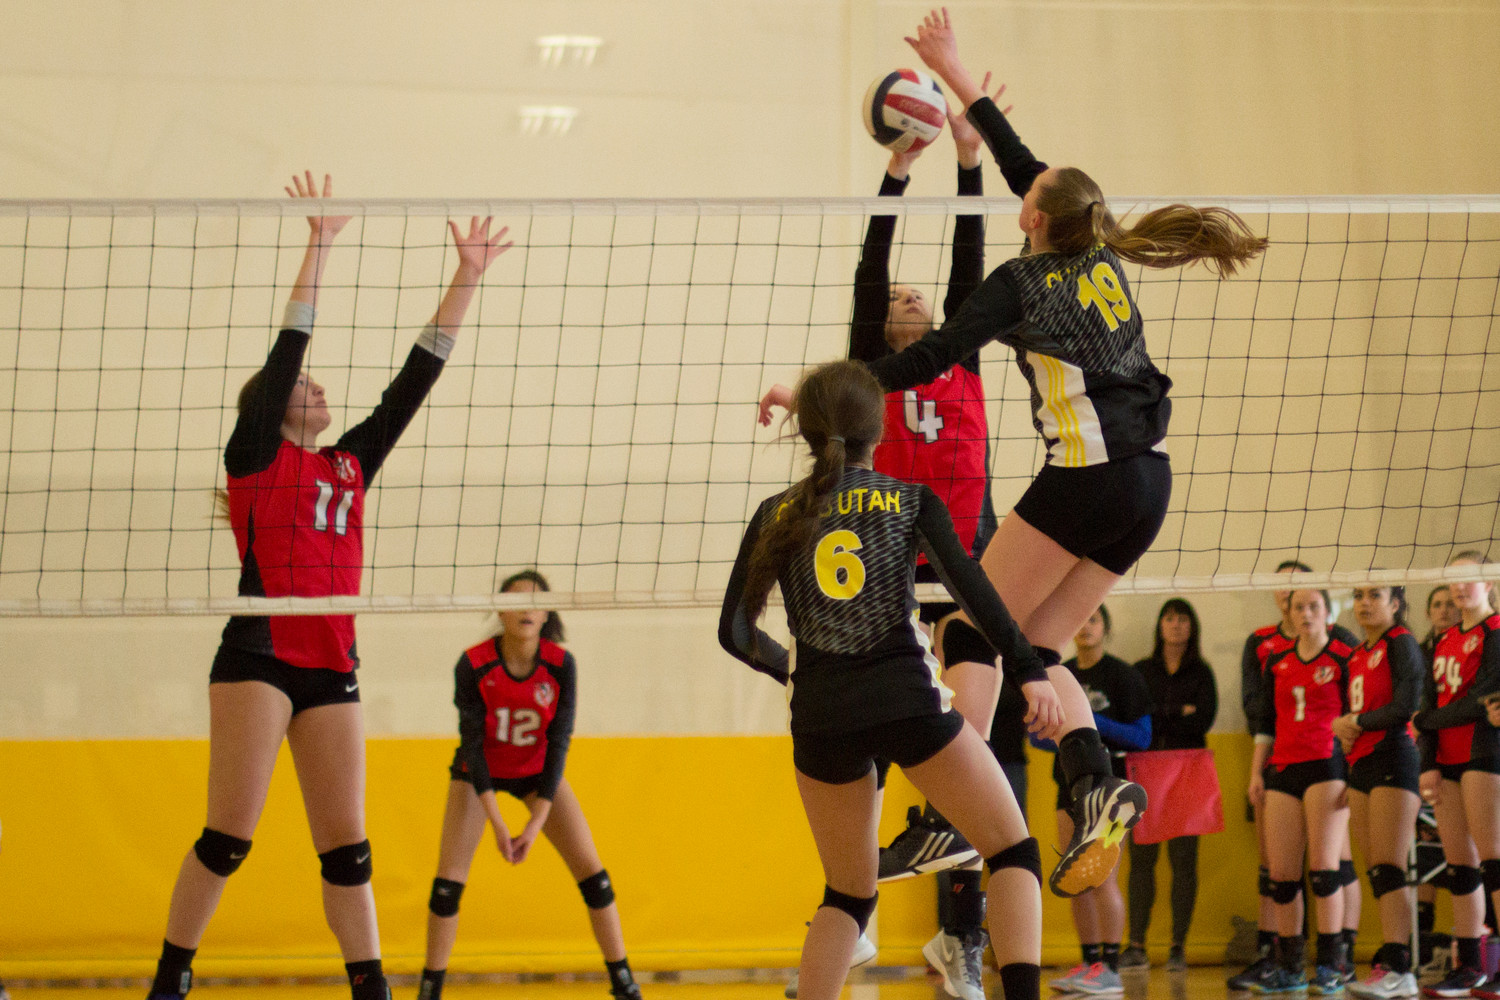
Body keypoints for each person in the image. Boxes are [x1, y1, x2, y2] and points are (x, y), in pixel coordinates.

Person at [758, 6, 1268, 899]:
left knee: (968, 627)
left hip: (1089, 480)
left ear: (1031, 214)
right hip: (1150, 485)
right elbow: (1019, 156)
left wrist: (816, 394)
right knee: (1037, 644)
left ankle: (947, 814)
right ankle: (1094, 778)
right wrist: (957, 80)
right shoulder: (1096, 245)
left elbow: (926, 358)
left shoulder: (1019, 283)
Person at [145, 174, 512, 1000]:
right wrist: (320, 241)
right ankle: (171, 976)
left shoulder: (348, 463)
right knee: (228, 838)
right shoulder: (254, 457)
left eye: (317, 386)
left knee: (348, 849)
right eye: (303, 387)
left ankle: (369, 987)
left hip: (332, 660)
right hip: (259, 656)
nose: (317, 388)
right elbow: (289, 349)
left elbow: (413, 383)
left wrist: (467, 276)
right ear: (271, 408)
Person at [720, 359, 1064, 1000]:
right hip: (906, 699)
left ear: (806, 432)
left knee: (848, 894)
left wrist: (794, 669)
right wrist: (1029, 670)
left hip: (820, 716)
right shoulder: (908, 500)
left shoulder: (775, 512)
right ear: (879, 430)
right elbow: (976, 595)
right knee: (1012, 851)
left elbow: (736, 633)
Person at [419, 570, 641, 1000]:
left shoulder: (560, 665)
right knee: (447, 886)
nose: (526, 608)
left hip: (537, 773)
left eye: (536, 602)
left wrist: (535, 823)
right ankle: (430, 990)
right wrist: (498, 823)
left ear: (546, 614)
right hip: (477, 772)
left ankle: (624, 984)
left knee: (595, 878)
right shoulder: (474, 663)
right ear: (500, 610)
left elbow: (559, 744)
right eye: (516, 600)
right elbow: (472, 744)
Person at [1231, 562, 1362, 991]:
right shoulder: (1277, 660)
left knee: (1324, 871)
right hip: (1282, 770)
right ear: (1288, 612)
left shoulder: (1344, 656)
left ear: (1328, 612)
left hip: (1326, 767)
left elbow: (1358, 718)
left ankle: (1330, 964)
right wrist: (1256, 773)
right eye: (1298, 607)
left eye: (1313, 606)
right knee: (1282, 876)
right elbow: (1267, 723)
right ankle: (1289, 967)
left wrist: (1354, 772)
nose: (1305, 613)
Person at [1044, 607, 1151, 998]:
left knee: (1103, 878)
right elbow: (1039, 734)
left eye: (1094, 620)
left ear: (1106, 627)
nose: (1086, 626)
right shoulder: (1060, 673)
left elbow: (1142, 737)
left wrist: (1088, 723)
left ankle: (1110, 967)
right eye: (1081, 619)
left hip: (1110, 790)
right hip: (1068, 786)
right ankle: (1089, 962)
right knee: (1075, 879)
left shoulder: (1123, 675)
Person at [1412, 552, 1500, 999]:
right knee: (1459, 865)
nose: (1460, 587)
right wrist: (1427, 762)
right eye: (1454, 580)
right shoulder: (1442, 640)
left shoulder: (1496, 631)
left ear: (1489, 584)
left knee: (1494, 861)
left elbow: (1482, 701)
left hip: (1485, 753)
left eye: (1471, 578)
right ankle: (1470, 966)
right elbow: (1426, 704)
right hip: (1445, 759)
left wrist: (1425, 721)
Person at [1333, 584, 1423, 999]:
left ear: (1395, 604)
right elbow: (1353, 713)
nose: (1365, 603)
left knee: (1389, 867)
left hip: (1394, 757)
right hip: (1361, 764)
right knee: (1376, 871)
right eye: (1359, 596)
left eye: (1375, 595)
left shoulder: (1401, 642)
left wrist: (1355, 722)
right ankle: (1391, 963)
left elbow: (1405, 705)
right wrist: (1344, 727)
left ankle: (1400, 969)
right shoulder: (1356, 654)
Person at [1121, 598, 1218, 973]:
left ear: (1192, 627)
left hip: (1189, 773)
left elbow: (1204, 720)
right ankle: (1136, 946)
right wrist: (1179, 711)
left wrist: (1162, 714)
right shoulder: (1141, 671)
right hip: (1145, 771)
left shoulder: (1202, 672)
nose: (1176, 624)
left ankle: (1178, 946)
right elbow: (1137, 718)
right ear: (1160, 625)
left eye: (1183, 619)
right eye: (1170, 618)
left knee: (1184, 863)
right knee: (1141, 862)